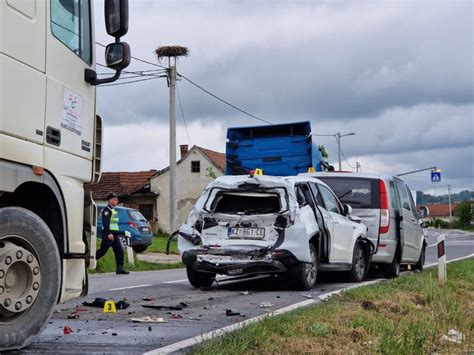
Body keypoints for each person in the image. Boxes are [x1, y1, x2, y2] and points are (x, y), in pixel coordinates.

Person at [96, 193, 129, 274]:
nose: (117, 201)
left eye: (117, 199)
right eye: (115, 199)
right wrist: (109, 233)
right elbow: (105, 223)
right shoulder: (106, 211)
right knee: (103, 251)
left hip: (114, 234)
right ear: (110, 200)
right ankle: (88, 261)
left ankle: (120, 268)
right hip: (108, 234)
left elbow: (114, 223)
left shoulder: (113, 210)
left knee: (119, 250)